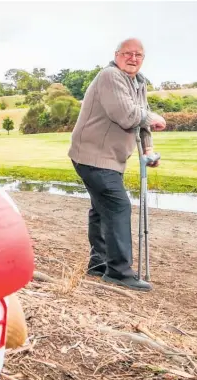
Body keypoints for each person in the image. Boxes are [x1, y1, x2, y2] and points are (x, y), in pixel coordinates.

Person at [67, 38, 166, 292]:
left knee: (101, 209)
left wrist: (149, 149)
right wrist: (153, 118)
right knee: (117, 205)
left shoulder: (138, 82)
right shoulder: (110, 76)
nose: (133, 58)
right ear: (116, 55)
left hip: (110, 158)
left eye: (138, 55)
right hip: (92, 154)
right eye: (128, 53)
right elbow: (127, 115)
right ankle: (119, 272)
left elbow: (140, 118)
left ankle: (99, 263)